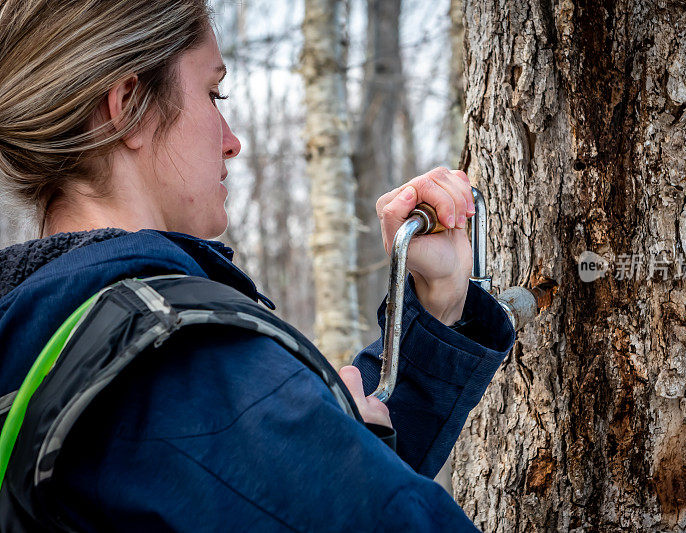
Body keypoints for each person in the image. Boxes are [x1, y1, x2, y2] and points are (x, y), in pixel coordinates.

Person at [0, 1, 514, 531]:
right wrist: (337, 463)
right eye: (211, 93)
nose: (232, 142)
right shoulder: (172, 362)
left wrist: (437, 307)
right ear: (130, 106)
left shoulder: (39, 340)